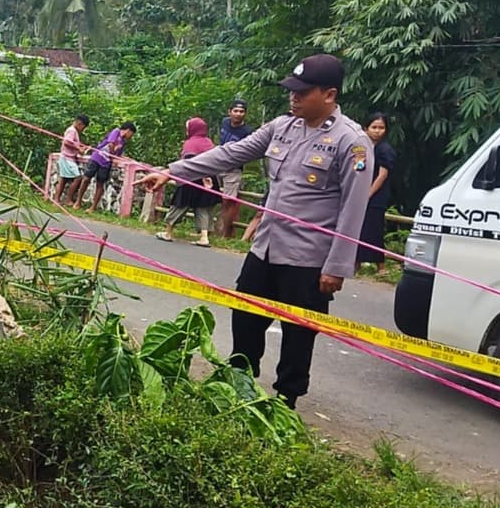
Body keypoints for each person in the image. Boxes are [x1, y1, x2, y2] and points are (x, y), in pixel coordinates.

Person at [139, 53, 373, 409]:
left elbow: (354, 209)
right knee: (245, 318)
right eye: (291, 91)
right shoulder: (281, 127)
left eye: (302, 91)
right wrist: (172, 172)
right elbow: (229, 154)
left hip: (308, 260)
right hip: (265, 248)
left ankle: (285, 402)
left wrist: (337, 266)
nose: (292, 97)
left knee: (298, 334)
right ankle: (240, 387)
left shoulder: (351, 142)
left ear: (329, 94)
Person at [155, 117, 221, 247]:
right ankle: (204, 237)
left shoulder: (190, 143)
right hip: (209, 179)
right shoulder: (208, 142)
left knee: (179, 205)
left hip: (191, 177)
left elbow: (188, 161)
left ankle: (168, 232)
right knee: (203, 207)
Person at [357, 112, 396, 273]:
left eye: (381, 128)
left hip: (376, 197)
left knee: (374, 230)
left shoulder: (384, 149)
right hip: (361, 194)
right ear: (366, 129)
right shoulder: (363, 147)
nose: (377, 131)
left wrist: (368, 195)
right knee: (360, 230)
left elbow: (383, 175)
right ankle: (356, 264)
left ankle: (381, 267)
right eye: (374, 127)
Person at [75, 121, 135, 210]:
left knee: (100, 183)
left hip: (106, 163)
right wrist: (113, 153)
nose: (130, 136)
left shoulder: (123, 142)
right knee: (86, 179)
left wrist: (124, 158)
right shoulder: (116, 132)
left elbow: (117, 154)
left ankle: (93, 207)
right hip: (97, 157)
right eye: (131, 134)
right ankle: (78, 202)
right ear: (128, 131)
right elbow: (111, 144)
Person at [217, 99, 255, 238]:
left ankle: (224, 233)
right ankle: (208, 228)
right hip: (218, 163)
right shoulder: (225, 123)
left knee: (229, 200)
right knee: (211, 195)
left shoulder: (248, 131)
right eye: (236, 111)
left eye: (242, 111)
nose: (238, 114)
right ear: (230, 112)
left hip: (234, 168)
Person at [55, 115, 89, 206]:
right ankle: (68, 199)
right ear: (80, 124)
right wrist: (78, 148)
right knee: (78, 177)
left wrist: (81, 146)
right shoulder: (72, 130)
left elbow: (72, 142)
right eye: (83, 127)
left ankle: (57, 199)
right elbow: (67, 142)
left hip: (66, 157)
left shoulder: (72, 131)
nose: (83, 129)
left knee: (63, 179)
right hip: (67, 158)